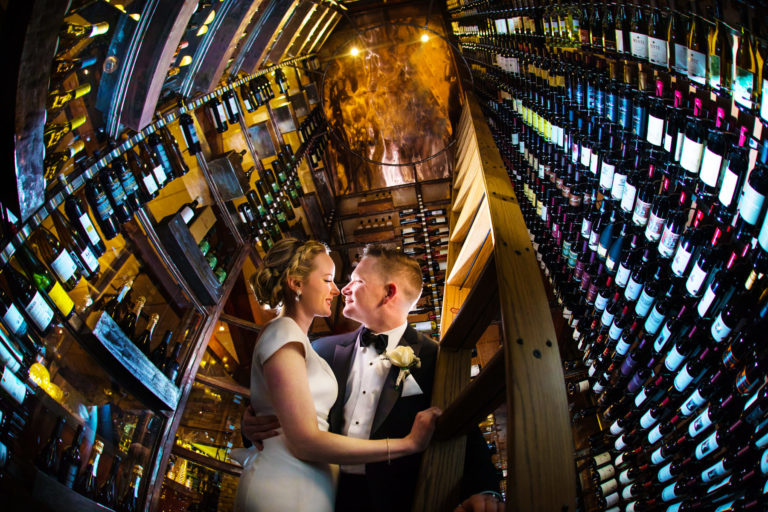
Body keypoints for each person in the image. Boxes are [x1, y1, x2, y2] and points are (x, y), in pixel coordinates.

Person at [243, 244, 503, 512]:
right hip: (322, 491)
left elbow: (464, 429)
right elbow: (284, 411)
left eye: (357, 281)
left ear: (388, 293)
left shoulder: (436, 359)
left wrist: (485, 489)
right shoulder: (322, 350)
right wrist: (250, 425)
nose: (343, 289)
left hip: (395, 501)